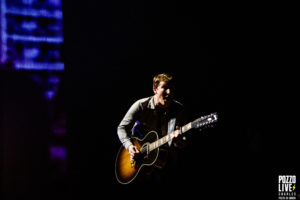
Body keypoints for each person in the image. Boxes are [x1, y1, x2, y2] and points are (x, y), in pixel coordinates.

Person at [117, 73, 187, 183]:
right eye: (165, 88)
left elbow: (183, 142)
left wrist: (179, 142)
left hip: (165, 164)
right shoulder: (141, 105)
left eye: (171, 89)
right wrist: (130, 146)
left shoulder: (178, 110)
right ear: (155, 89)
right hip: (141, 162)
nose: (169, 92)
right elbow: (122, 128)